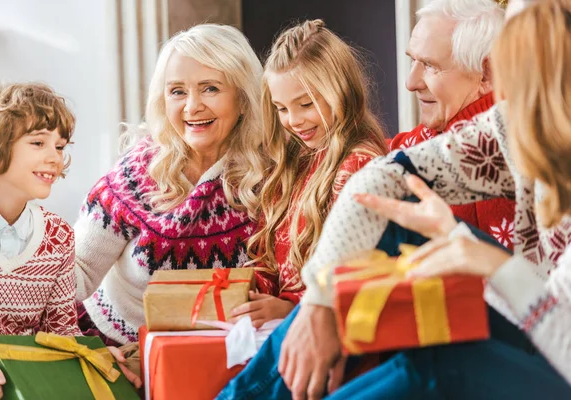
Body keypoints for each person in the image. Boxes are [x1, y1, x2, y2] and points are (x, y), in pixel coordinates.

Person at [327, 0, 571, 396]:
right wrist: (319, 306)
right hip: (532, 326)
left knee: (440, 362)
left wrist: (494, 265)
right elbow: (377, 181)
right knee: (390, 229)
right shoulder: (517, 125)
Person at [73, 24, 266, 347]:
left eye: (210, 89)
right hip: (117, 347)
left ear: (244, 99)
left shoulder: (270, 177)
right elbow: (77, 271)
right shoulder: (136, 174)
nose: (192, 107)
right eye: (177, 91)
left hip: (225, 352)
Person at [228, 20, 388, 329]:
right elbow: (269, 262)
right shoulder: (292, 162)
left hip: (327, 336)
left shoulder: (361, 167)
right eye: (281, 108)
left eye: (306, 103)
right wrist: (250, 294)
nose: (294, 121)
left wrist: (288, 311)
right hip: (280, 331)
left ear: (341, 90)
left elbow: (360, 280)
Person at [0, 82, 80, 400]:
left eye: (59, 146)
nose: (54, 158)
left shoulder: (59, 237)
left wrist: (93, 357)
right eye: (38, 142)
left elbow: (61, 336)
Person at [391, 0, 515, 250]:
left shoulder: (511, 156)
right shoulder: (430, 134)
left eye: (429, 65)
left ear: (486, 74)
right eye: (412, 61)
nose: (410, 82)